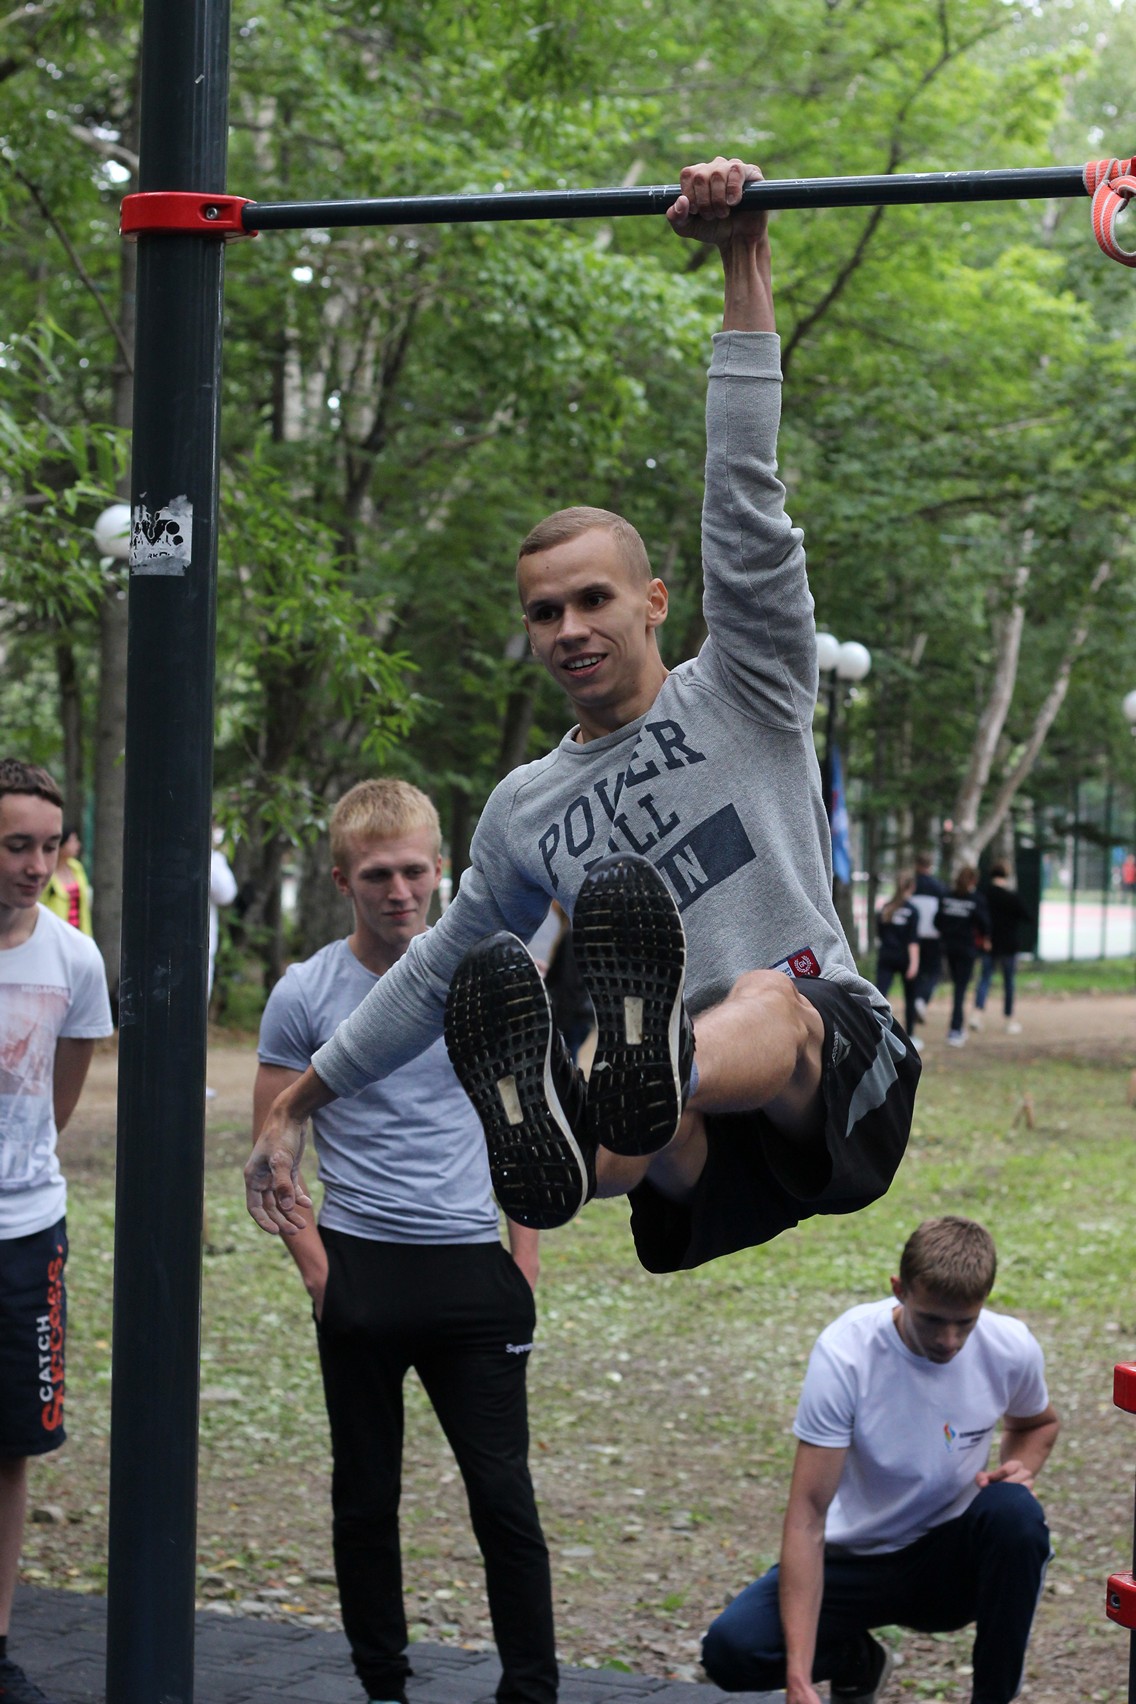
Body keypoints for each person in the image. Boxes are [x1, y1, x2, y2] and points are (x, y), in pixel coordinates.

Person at [246, 156, 920, 1280]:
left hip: (819, 1075)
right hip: (686, 1149)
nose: (566, 627)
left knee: (761, 999)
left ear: (653, 604)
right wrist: (300, 1098)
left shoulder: (744, 682)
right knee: (616, 1123)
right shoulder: (525, 808)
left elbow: (744, 490)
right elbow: (431, 973)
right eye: (543, 611)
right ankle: (567, 1120)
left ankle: (610, 1079)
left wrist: (742, 253)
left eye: (592, 598)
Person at [253, 779, 556, 1704]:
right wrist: (322, 1278)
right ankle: (383, 1684)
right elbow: (273, 1152)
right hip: (361, 1266)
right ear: (344, 879)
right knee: (364, 1497)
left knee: (503, 1498)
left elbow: (526, 1124)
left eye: (416, 871)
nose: (399, 891)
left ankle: (532, 1690)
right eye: (377, 874)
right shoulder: (306, 993)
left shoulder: (491, 974)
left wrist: (524, 1263)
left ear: (442, 870)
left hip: (473, 1269)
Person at [701, 1216, 1058, 1704]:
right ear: (900, 1290)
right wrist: (800, 1679)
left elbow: (1037, 1423)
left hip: (945, 1562)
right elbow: (807, 1516)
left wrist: (1021, 1466)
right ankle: (856, 1662)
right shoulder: (846, 1354)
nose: (950, 1341)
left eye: (965, 1323)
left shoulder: (1010, 1346)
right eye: (933, 1320)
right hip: (853, 1560)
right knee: (732, 1651)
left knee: (1015, 1514)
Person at [0, 759, 113, 1704]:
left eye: (48, 845)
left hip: (26, 1231)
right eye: (14, 845)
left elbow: (57, 1102)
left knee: (12, 1448)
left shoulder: (74, 960)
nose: (35, 865)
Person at [972, 862, 1032, 1036]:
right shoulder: (1012, 897)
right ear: (1006, 875)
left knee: (984, 980)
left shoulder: (983, 895)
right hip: (1009, 945)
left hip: (989, 944)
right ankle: (1009, 1019)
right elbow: (1027, 916)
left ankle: (977, 1014)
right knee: (1008, 983)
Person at [936, 867, 991, 1048]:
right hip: (966, 950)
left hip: (950, 949)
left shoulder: (947, 897)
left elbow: (938, 921)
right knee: (960, 990)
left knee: (958, 988)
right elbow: (984, 924)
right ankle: (955, 1029)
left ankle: (957, 1027)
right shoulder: (975, 900)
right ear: (973, 881)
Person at [872, 872, 920, 1048]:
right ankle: (911, 1035)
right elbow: (913, 941)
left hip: (886, 956)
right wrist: (914, 964)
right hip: (904, 958)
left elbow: (880, 933)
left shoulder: (885, 909)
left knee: (880, 995)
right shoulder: (912, 911)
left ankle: (875, 1029)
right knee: (910, 997)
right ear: (911, 887)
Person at [908, 852, 947, 1025]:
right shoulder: (938, 887)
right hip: (933, 936)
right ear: (930, 866)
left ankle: (915, 999)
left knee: (915, 971)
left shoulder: (911, 885)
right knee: (933, 972)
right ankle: (922, 1000)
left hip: (913, 936)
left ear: (916, 865)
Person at [41, 826, 92, 936]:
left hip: (79, 933)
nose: (77, 845)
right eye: (72, 841)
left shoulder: (77, 868)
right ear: (60, 844)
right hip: (55, 934)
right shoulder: (47, 872)